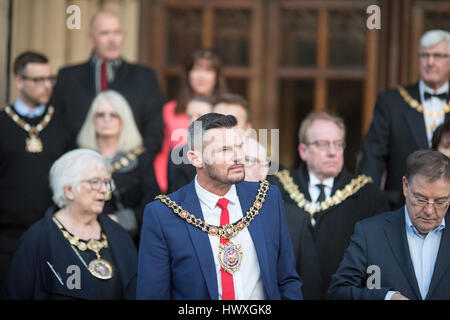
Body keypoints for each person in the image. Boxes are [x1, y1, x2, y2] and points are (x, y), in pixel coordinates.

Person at [137, 113, 303, 300]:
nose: (238, 157)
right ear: (196, 159)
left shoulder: (266, 198)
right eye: (225, 150)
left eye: (239, 147)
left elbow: (287, 279)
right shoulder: (162, 214)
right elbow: (153, 294)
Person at [270, 110, 389, 299]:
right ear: (303, 151)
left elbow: (379, 262)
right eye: (323, 144)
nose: (333, 152)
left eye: (338, 144)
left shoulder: (367, 196)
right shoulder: (277, 190)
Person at [1, 149, 137, 299]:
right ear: (69, 191)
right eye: (95, 182)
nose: (104, 190)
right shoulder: (37, 239)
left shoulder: (117, 232)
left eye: (106, 182)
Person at [328, 150, 450, 300]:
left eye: (440, 202)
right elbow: (338, 292)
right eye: (420, 199)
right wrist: (386, 297)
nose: (429, 211)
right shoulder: (370, 233)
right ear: (405, 186)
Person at [0, 52, 74, 283]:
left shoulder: (63, 124)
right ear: (19, 81)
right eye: (38, 79)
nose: (46, 85)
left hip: (51, 234)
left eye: (49, 78)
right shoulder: (2, 123)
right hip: (5, 237)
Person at [51, 10, 165, 160]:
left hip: (131, 172)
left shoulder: (144, 77)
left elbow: (155, 129)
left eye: (117, 33)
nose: (112, 40)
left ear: (123, 36)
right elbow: (57, 126)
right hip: (78, 164)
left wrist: (134, 163)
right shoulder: (68, 77)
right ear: (91, 38)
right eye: (104, 33)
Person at [359, 29, 450, 209]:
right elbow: (373, 156)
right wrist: (368, 200)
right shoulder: (392, 102)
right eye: (425, 55)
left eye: (438, 56)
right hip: (400, 208)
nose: (430, 62)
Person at [77, 90, 160, 244]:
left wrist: (121, 219)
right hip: (83, 239)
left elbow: (154, 204)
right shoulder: (78, 158)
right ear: (92, 120)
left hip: (130, 241)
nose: (106, 120)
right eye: (100, 115)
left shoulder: (140, 158)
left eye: (113, 115)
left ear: (124, 120)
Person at [154, 49, 227, 193]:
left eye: (208, 70)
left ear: (216, 76)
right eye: (196, 69)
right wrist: (163, 187)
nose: (201, 76)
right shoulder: (170, 110)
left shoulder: (226, 110)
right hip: (178, 184)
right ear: (188, 74)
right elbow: (162, 152)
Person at [167, 96, 213, 193]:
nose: (193, 121)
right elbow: (172, 192)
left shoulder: (226, 152)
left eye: (200, 116)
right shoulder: (178, 152)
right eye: (190, 116)